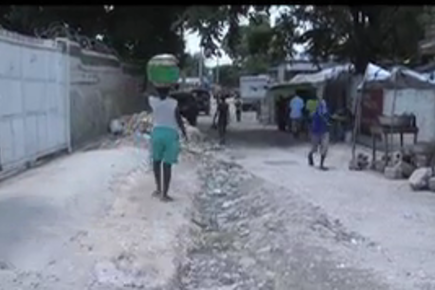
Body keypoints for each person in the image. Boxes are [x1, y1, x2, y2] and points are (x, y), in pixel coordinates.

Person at [149, 86, 187, 202]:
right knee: (167, 164)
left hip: (157, 133)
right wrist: (184, 132)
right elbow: (178, 119)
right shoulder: (173, 103)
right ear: (169, 91)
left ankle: (158, 189)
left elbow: (144, 92)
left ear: (156, 90)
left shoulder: (153, 101)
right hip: (171, 134)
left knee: (156, 161)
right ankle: (164, 194)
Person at [308, 96, 330, 170]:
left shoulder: (326, 112)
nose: (324, 106)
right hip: (316, 132)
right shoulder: (316, 113)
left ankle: (321, 164)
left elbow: (329, 120)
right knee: (314, 148)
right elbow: (313, 121)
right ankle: (310, 155)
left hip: (325, 132)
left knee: (325, 147)